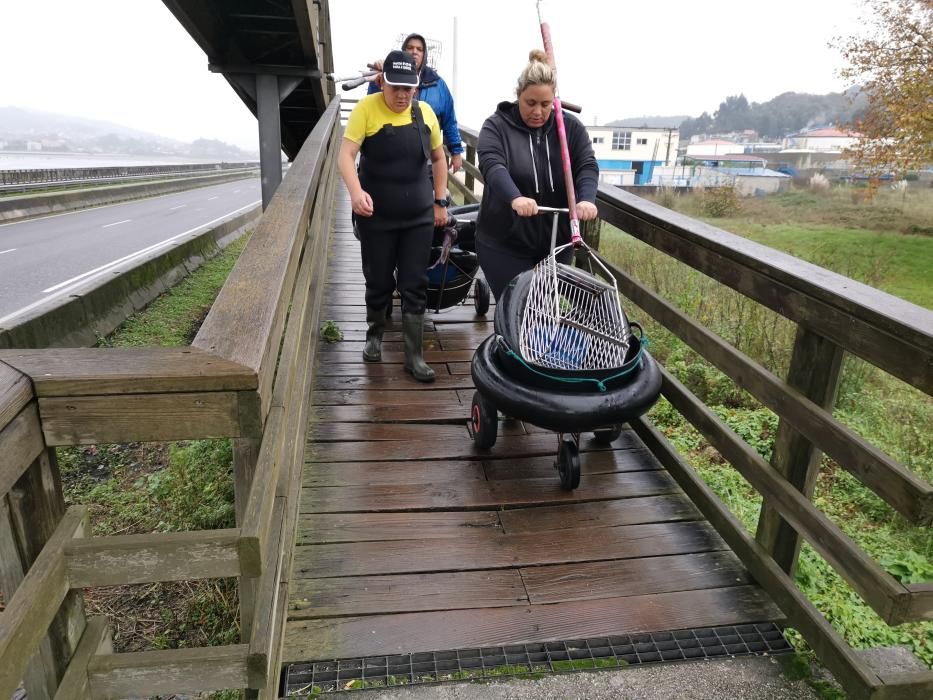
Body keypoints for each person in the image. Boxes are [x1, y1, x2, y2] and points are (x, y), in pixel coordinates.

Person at [337, 49, 449, 383]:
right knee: (379, 280)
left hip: (418, 217)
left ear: (416, 87)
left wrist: (440, 200)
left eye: (408, 89)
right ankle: (374, 335)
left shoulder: (425, 114)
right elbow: (345, 155)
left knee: (415, 284)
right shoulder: (365, 110)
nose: (401, 95)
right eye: (395, 87)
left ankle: (413, 356)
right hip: (377, 217)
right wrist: (356, 193)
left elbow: (439, 159)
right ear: (382, 82)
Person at [474, 49, 599, 300]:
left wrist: (586, 199)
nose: (538, 112)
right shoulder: (496, 126)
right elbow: (492, 165)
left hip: (555, 241)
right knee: (515, 310)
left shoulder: (570, 128)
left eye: (546, 104)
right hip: (504, 241)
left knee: (543, 311)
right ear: (518, 96)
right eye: (530, 103)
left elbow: (586, 165)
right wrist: (514, 198)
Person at [368, 33, 464, 172]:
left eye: (419, 49)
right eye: (410, 47)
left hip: (427, 158)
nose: (414, 51)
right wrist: (379, 76)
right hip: (390, 154)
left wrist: (456, 152)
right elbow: (373, 104)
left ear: (424, 54)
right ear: (403, 51)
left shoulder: (438, 84)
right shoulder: (386, 78)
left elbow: (450, 120)